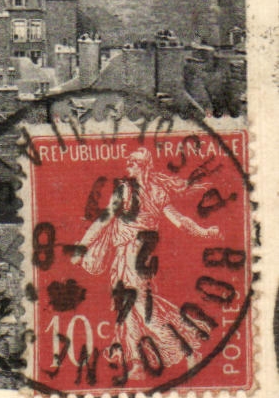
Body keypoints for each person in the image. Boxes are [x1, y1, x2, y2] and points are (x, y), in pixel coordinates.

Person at [73, 147, 220, 379]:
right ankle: (136, 363)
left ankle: (187, 350)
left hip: (136, 254)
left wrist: (203, 232)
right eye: (129, 162)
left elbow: (179, 220)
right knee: (127, 307)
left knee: (142, 306)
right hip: (128, 254)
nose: (128, 166)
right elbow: (104, 219)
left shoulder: (143, 191)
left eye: (132, 162)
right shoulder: (132, 190)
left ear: (143, 166)